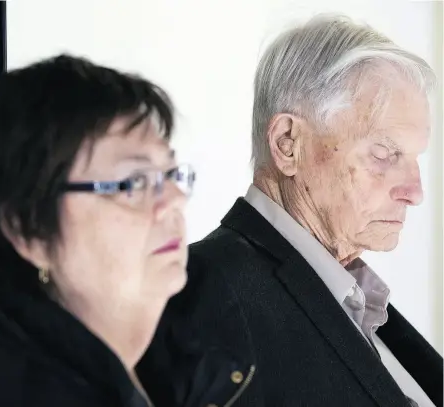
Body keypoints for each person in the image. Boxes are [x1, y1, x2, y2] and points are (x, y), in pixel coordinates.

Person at [137, 15, 443, 407]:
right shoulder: (202, 294)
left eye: (416, 158)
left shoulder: (356, 300)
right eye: (385, 153)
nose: (414, 191)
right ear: (287, 143)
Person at [0, 55, 253, 407]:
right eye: (133, 182)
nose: (173, 199)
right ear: (28, 230)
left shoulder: (185, 367)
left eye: (171, 173)